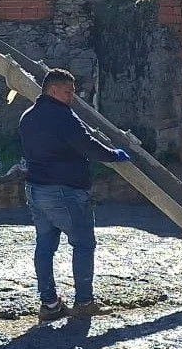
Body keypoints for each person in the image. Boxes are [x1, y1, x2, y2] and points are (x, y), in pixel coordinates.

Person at [17, 68, 131, 320]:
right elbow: (87, 145)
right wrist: (113, 156)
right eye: (68, 92)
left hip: (35, 189)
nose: (72, 97)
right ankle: (84, 303)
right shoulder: (63, 116)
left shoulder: (27, 116)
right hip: (64, 191)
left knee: (45, 246)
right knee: (83, 244)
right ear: (52, 90)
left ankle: (49, 304)